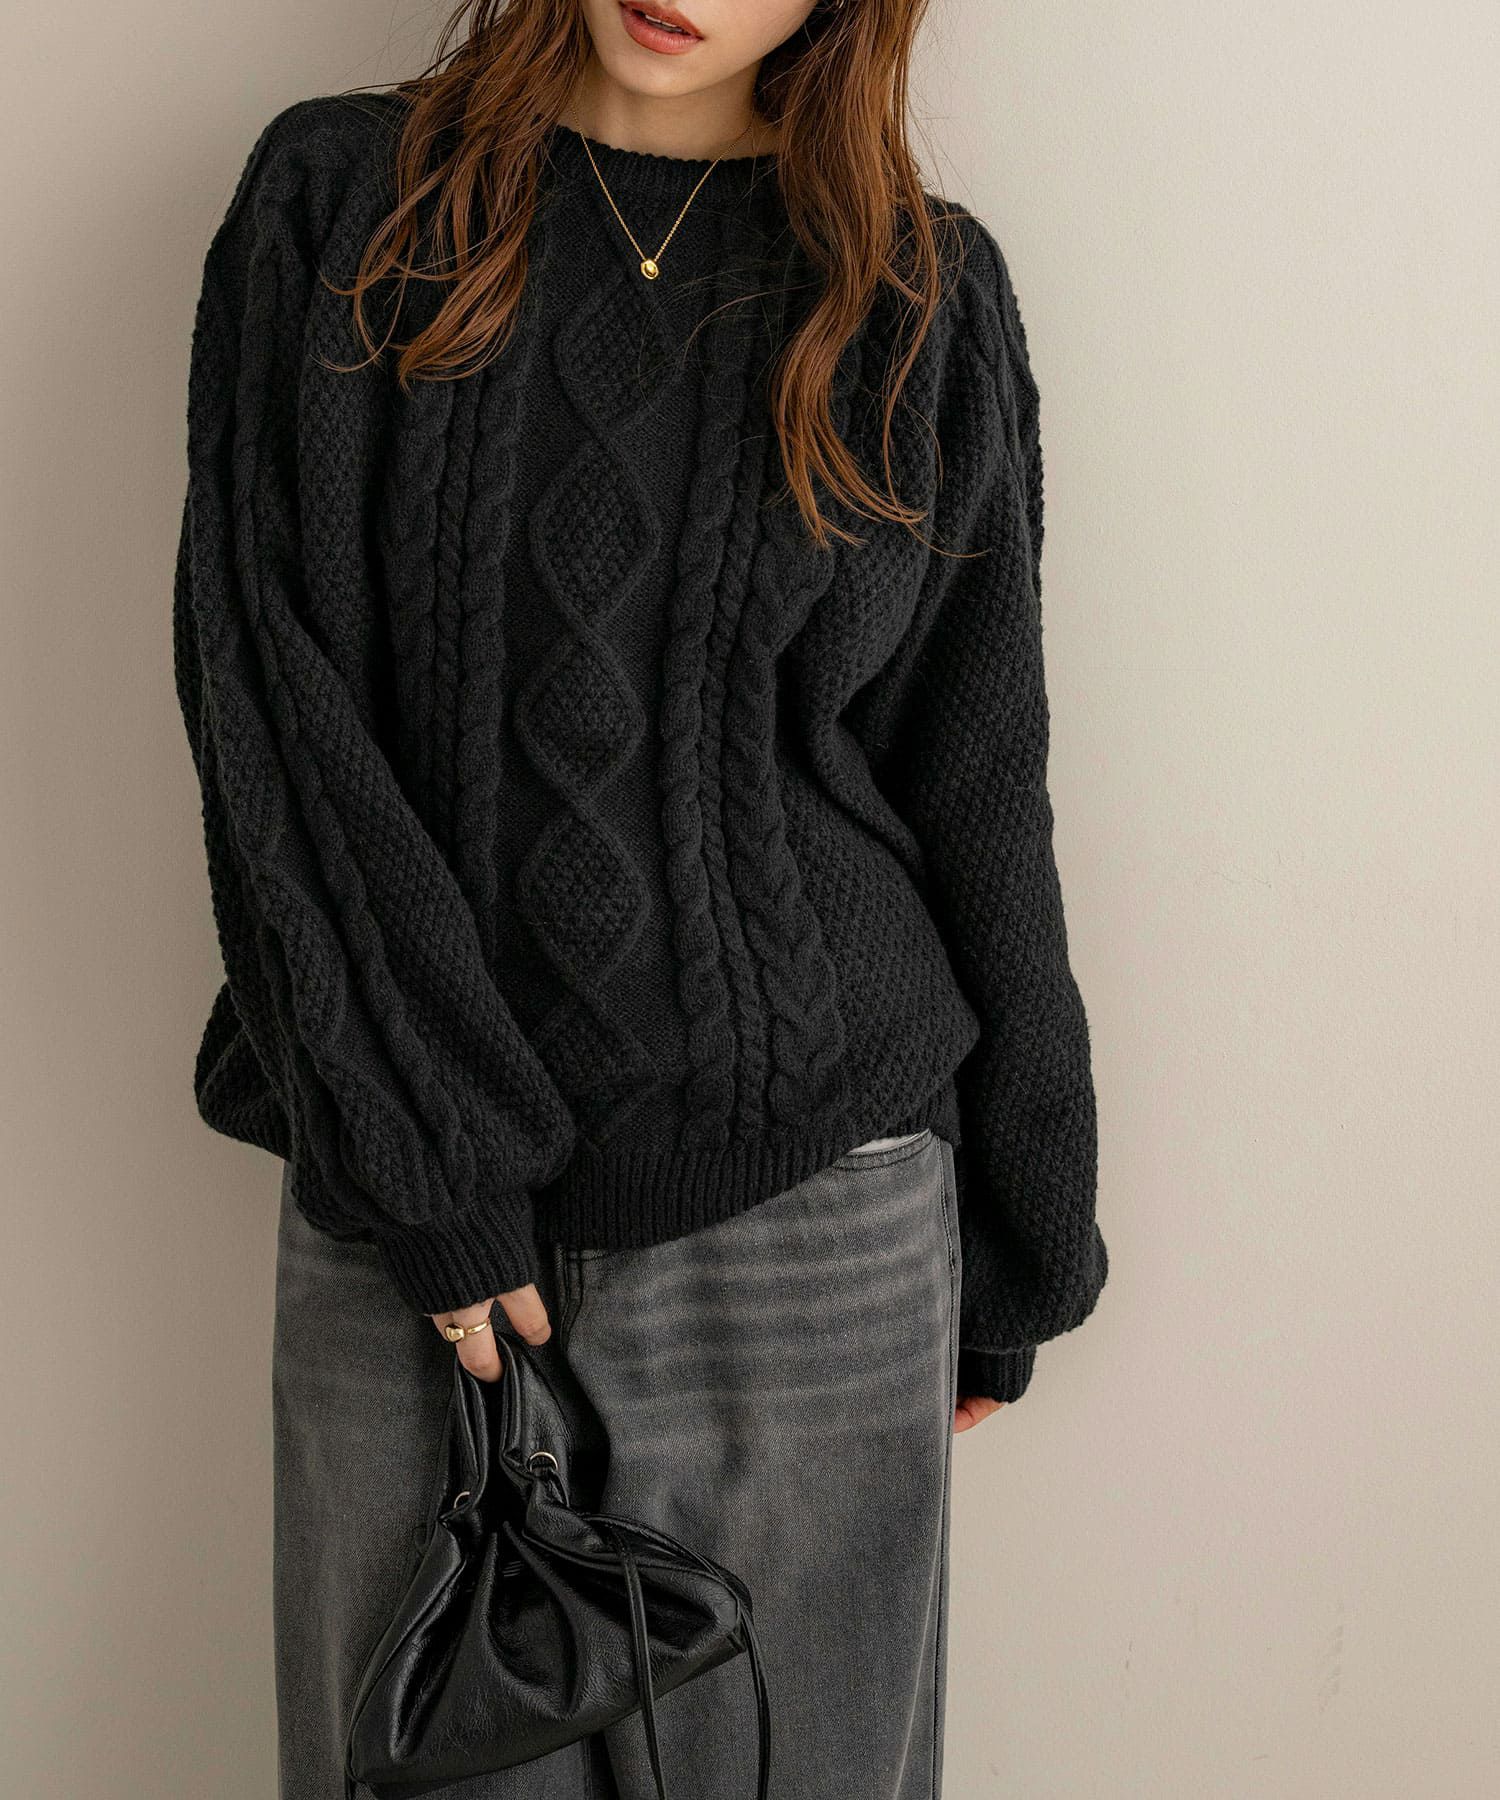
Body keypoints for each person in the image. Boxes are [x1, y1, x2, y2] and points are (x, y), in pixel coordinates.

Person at [171, 1, 1109, 1794]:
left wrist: (1025, 1230)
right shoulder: (342, 203)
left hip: (816, 1217)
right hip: (410, 1214)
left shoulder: (914, 293)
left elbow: (980, 771)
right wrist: (427, 1160)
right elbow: (267, 697)